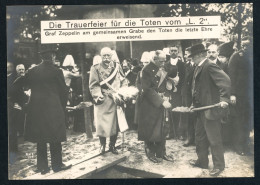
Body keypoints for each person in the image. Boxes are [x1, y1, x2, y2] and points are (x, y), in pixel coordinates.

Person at [12, 47, 72, 174]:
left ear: (41, 57)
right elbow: (63, 92)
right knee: (55, 138)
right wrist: (61, 107)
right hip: (54, 110)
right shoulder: (57, 72)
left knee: (41, 139)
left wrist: (25, 104)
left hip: (37, 111)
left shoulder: (33, 71)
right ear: (52, 57)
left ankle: (42, 167)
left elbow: (15, 86)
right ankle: (57, 165)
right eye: (54, 55)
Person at [189, 43, 231, 176]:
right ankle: (202, 161)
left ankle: (219, 166)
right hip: (200, 108)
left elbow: (225, 81)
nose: (191, 59)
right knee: (199, 137)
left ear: (199, 55)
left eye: (192, 56)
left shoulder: (209, 65)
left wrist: (224, 99)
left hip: (210, 109)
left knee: (214, 138)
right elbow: (196, 88)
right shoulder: (198, 67)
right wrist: (193, 103)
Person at [89, 47, 127, 155]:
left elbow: (123, 80)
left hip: (115, 99)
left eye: (108, 56)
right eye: (104, 56)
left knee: (114, 125)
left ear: (111, 56)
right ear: (101, 57)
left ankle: (112, 145)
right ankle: (102, 145)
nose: (106, 58)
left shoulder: (117, 66)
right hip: (103, 99)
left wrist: (123, 91)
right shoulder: (95, 68)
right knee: (102, 125)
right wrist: (97, 95)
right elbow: (93, 85)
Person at [138, 50, 173, 163]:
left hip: (161, 101)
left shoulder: (163, 68)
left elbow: (165, 84)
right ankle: (150, 152)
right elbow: (147, 89)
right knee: (150, 129)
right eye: (161, 61)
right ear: (155, 59)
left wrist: (167, 96)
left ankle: (161, 152)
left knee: (162, 128)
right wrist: (161, 101)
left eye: (164, 61)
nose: (163, 63)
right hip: (149, 104)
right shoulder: (146, 70)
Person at [228, 36, 253, 156]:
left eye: (247, 45)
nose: (244, 47)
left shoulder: (252, 55)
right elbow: (231, 76)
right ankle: (238, 145)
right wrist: (232, 94)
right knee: (239, 120)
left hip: (250, 95)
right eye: (243, 45)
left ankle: (246, 144)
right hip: (239, 95)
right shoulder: (236, 56)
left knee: (248, 120)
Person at [164, 45, 185, 140]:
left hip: (178, 91)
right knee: (169, 111)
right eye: (171, 50)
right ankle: (170, 132)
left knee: (178, 111)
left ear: (178, 52)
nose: (173, 52)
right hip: (169, 90)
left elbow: (185, 77)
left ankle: (179, 132)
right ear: (169, 52)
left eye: (175, 51)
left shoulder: (182, 64)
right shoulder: (166, 64)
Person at [179, 47, 196, 147]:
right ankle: (189, 137)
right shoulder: (186, 65)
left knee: (197, 117)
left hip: (195, 94)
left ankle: (198, 139)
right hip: (186, 95)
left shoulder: (198, 66)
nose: (185, 56)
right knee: (188, 116)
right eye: (185, 54)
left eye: (187, 54)